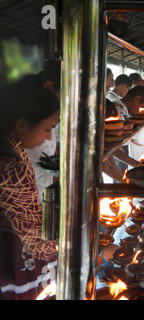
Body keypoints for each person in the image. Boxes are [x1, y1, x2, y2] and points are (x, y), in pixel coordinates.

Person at [0, 76, 59, 300]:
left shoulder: (9, 143)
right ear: (22, 124)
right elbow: (35, 240)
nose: (49, 137)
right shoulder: (11, 164)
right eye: (47, 129)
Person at [25, 60, 61, 201]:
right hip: (29, 203)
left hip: (41, 196)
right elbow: (37, 172)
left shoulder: (49, 113)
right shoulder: (31, 117)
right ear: (50, 86)